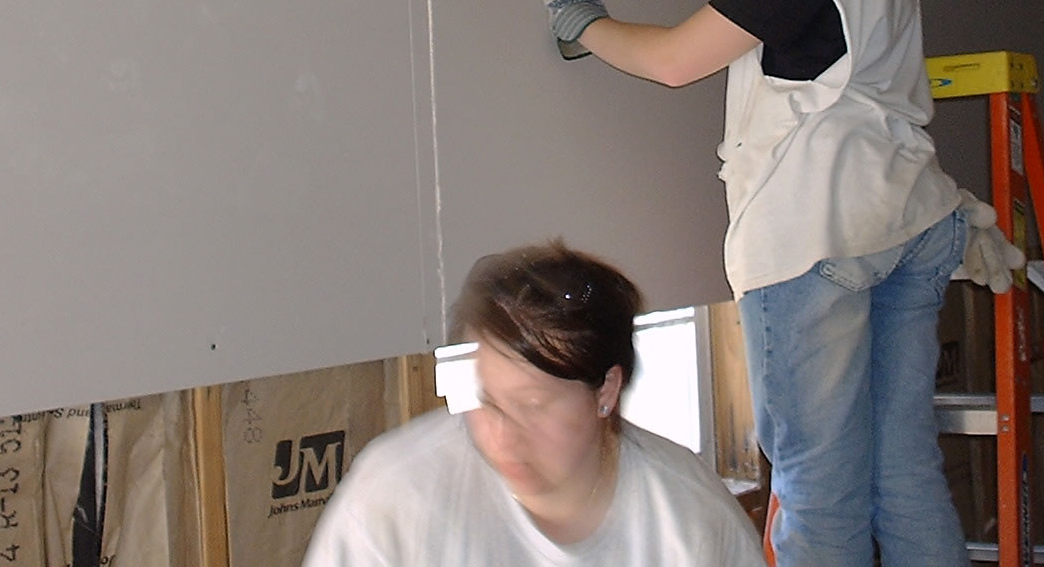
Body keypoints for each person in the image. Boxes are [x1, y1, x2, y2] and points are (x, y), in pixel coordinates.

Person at [527, 0, 1015, 566]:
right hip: (903, 220)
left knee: (817, 492)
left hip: (816, 234)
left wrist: (582, 22)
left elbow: (677, 60)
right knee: (902, 472)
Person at [300, 240, 766, 566]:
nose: (503, 437)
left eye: (533, 404)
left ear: (606, 390)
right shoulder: (399, 497)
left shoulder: (688, 520)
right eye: (491, 402)